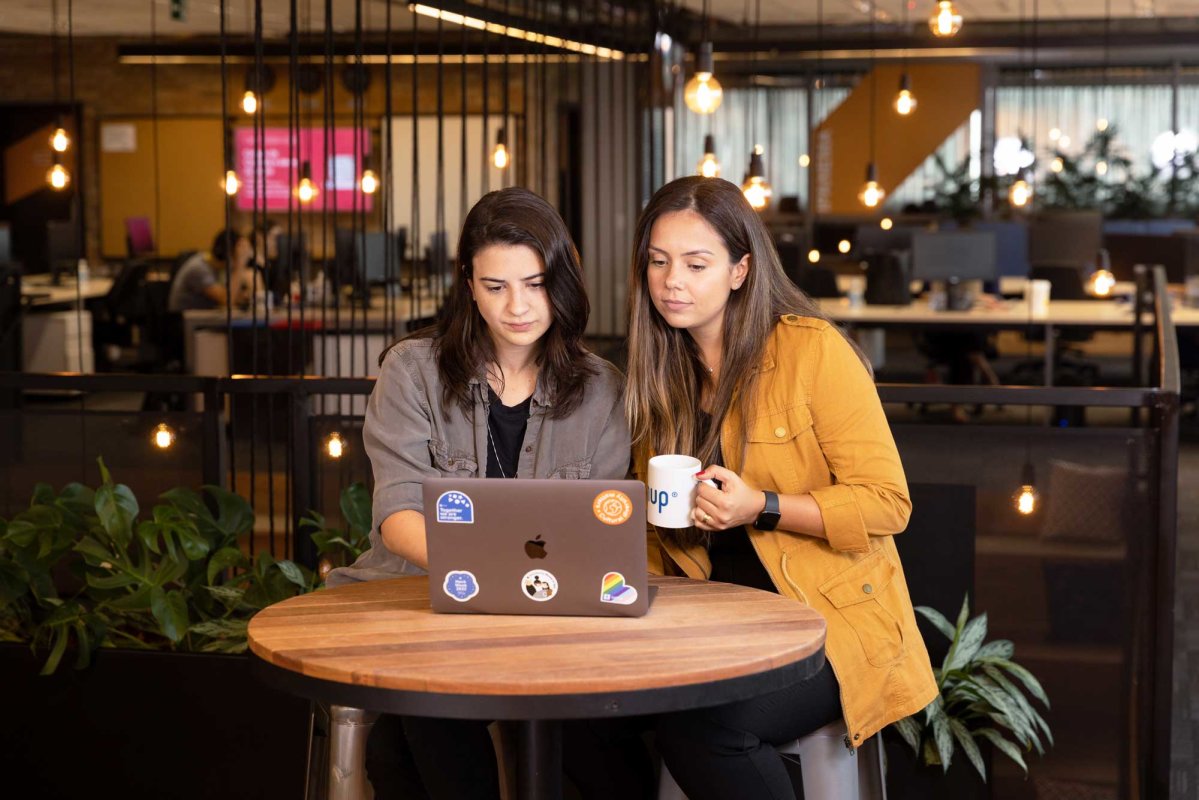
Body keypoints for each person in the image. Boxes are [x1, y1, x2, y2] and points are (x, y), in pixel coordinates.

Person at [624, 176, 938, 800]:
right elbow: (657, 534)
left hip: (827, 627)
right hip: (715, 621)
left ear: (740, 270)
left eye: (696, 263)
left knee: (703, 732)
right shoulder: (659, 375)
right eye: (658, 262)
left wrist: (760, 507)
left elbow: (887, 502)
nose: (671, 281)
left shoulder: (810, 352)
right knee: (603, 716)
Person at [327, 187, 634, 799]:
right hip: (420, 602)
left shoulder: (604, 390)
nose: (517, 306)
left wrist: (512, 588)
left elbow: (601, 529)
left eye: (536, 283)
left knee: (604, 745)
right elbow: (399, 516)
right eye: (496, 287)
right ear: (468, 283)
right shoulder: (412, 371)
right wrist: (490, 580)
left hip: (550, 618)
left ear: (563, 282)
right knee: (432, 706)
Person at [167, 227, 253, 311]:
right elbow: (226, 300)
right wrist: (240, 264)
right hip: (182, 321)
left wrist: (241, 297)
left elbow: (226, 295)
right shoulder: (199, 268)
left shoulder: (218, 268)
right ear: (228, 254)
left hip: (202, 319)